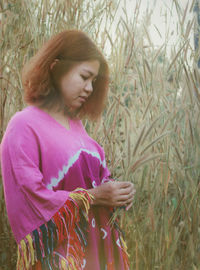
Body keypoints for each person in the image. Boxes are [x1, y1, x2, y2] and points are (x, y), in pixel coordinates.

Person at [0, 30, 135, 270]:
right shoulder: (24, 126)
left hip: (97, 257)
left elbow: (97, 182)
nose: (90, 88)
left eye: (94, 81)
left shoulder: (78, 128)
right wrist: (95, 196)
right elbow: (30, 198)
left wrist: (118, 193)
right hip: (61, 260)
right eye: (84, 77)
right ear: (55, 68)